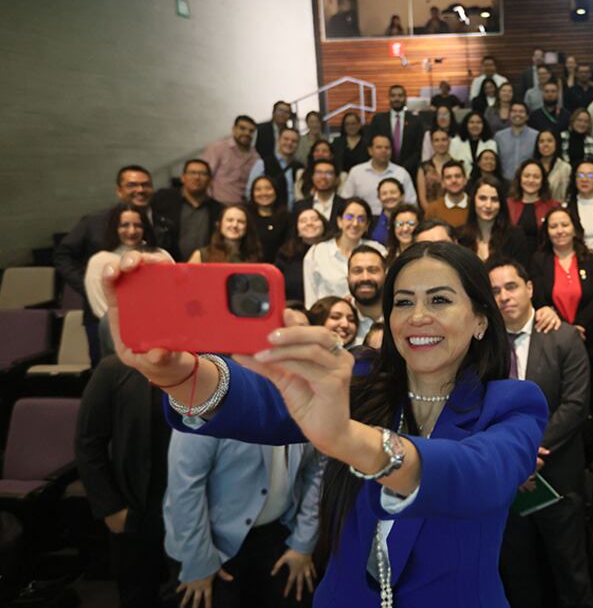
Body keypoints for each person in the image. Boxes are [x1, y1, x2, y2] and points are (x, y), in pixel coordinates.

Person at [101, 238, 554, 607]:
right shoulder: (361, 380)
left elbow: (480, 474)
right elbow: (260, 401)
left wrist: (351, 440)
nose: (418, 317)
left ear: (479, 319)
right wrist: (173, 372)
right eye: (403, 302)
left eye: (439, 300)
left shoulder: (514, 402)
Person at [488, 259, 593, 608]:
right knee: (518, 576)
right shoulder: (485, 346)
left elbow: (575, 405)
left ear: (530, 288)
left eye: (511, 287)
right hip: (506, 481)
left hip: (557, 477)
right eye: (495, 291)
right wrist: (513, 457)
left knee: (570, 575)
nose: (504, 297)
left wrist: (530, 450)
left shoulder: (563, 336)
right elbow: (479, 407)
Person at [164, 405, 321, 608]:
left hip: (278, 535)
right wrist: (199, 564)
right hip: (210, 543)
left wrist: (303, 543)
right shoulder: (209, 395)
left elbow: (317, 470)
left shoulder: (305, 395)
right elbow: (185, 486)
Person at [75, 356, 173, 608]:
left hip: (194, 508)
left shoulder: (208, 362)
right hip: (135, 506)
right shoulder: (114, 369)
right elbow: (88, 444)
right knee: (138, 595)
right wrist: (111, 509)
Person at [56, 166, 174, 363]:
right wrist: (90, 285)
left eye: (145, 184)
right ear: (119, 190)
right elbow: (63, 255)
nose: (140, 189)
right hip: (103, 319)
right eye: (132, 185)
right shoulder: (94, 221)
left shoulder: (164, 222)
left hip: (154, 326)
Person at [530, 206, 593, 362]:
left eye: (565, 225)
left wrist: (578, 327)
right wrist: (565, 330)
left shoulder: (592, 260)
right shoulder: (538, 260)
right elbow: (538, 298)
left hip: (587, 338)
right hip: (551, 336)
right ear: (547, 232)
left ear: (574, 228)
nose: (560, 231)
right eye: (553, 226)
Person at [303, 198, 384, 307]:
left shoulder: (379, 251)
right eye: (349, 217)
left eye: (361, 219)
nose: (355, 223)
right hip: (327, 319)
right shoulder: (317, 252)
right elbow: (310, 298)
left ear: (367, 225)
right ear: (339, 221)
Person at [152, 158, 223, 262]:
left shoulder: (218, 209)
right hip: (169, 264)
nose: (197, 177)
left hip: (205, 266)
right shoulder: (162, 201)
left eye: (202, 174)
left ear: (210, 180)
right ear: (183, 178)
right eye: (192, 173)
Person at [459, 174, 530, 267]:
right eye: (482, 198)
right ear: (473, 201)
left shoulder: (516, 237)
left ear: (501, 204)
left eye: (494, 199)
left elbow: (521, 274)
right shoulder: (460, 237)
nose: (488, 205)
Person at [341, 134, 418, 215]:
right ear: (370, 150)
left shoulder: (402, 173)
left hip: (394, 222)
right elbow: (346, 201)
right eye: (379, 147)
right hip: (363, 222)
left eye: (387, 148)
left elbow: (411, 204)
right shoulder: (356, 172)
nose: (384, 150)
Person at [366, 85, 425, 179]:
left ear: (405, 98)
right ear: (389, 98)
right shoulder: (378, 120)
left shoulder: (416, 121)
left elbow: (419, 149)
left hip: (409, 172)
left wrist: (403, 168)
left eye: (400, 95)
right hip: (382, 170)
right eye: (393, 96)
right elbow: (372, 144)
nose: (396, 98)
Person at [200, 115, 261, 204]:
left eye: (251, 131)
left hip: (242, 206)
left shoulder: (255, 157)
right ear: (234, 129)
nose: (247, 133)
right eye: (242, 128)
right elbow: (204, 176)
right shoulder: (218, 148)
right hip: (217, 203)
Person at [506, 160, 559, 255]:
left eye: (536, 177)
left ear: (543, 180)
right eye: (526, 176)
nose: (531, 180)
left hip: (544, 260)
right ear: (520, 178)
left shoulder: (553, 206)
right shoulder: (507, 205)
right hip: (512, 259)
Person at [275, 209, 328, 303]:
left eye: (315, 219)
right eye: (303, 221)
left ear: (324, 225)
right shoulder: (285, 254)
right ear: (297, 230)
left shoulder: (333, 251)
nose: (309, 223)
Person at [247, 126, 303, 210]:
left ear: (298, 144)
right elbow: (250, 192)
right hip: (270, 214)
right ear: (278, 140)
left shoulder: (300, 167)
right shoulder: (263, 164)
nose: (289, 143)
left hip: (294, 216)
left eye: (294, 141)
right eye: (286, 139)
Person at [188, 204, 262, 264]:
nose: (235, 225)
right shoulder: (201, 255)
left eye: (241, 221)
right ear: (219, 224)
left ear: (247, 227)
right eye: (229, 220)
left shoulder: (255, 256)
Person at [346, 245, 387, 344]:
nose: (365, 278)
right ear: (347, 279)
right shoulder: (339, 321)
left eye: (373, 270)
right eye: (357, 271)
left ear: (386, 276)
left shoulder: (401, 315)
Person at [248, 176, 291, 263]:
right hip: (248, 268)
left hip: (277, 269)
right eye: (258, 189)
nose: (263, 193)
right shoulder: (246, 217)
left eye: (268, 188)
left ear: (276, 191)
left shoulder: (287, 218)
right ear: (252, 194)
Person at [293, 159, 347, 223]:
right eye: (318, 173)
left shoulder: (345, 206)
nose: (323, 177)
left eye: (329, 173)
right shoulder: (299, 206)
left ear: (337, 179)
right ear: (312, 177)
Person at [494, 102, 539, 177]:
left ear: (527, 116)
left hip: (528, 182)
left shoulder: (536, 136)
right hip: (504, 183)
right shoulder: (499, 137)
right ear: (509, 115)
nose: (517, 114)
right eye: (514, 111)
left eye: (521, 112)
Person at [424, 160, 470, 229]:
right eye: (448, 177)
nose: (454, 180)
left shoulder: (476, 206)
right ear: (443, 183)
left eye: (457, 176)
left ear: (465, 180)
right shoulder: (433, 209)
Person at [416, 127, 453, 208]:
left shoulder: (458, 165)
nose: (440, 143)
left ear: (449, 142)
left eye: (444, 140)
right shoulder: (423, 167)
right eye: (436, 140)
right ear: (432, 143)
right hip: (430, 214)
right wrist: (432, 215)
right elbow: (422, 198)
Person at [533, 128, 573, 203]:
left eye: (550, 141)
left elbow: (565, 195)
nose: (545, 144)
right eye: (541, 141)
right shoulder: (531, 167)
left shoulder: (565, 168)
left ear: (556, 143)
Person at [255, 101, 294, 172]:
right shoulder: (260, 129)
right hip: (263, 168)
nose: (283, 114)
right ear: (273, 112)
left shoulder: (290, 133)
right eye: (280, 111)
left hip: (284, 168)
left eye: (287, 112)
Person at [369, 178, 406, 245]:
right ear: (379, 198)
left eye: (393, 192)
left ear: (402, 196)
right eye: (384, 194)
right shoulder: (372, 222)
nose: (388, 196)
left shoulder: (412, 220)